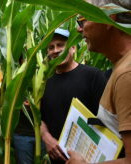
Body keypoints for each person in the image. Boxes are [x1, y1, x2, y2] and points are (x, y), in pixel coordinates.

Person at [67, 0, 131, 163]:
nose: (79, 29)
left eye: (82, 20)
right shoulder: (121, 66)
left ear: (108, 18)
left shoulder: (127, 74)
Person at [40, 28, 107, 164]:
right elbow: (40, 119)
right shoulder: (44, 83)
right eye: (51, 47)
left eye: (60, 45)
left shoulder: (93, 76)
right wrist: (46, 136)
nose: (55, 50)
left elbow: (108, 121)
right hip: (58, 159)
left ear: (73, 48)